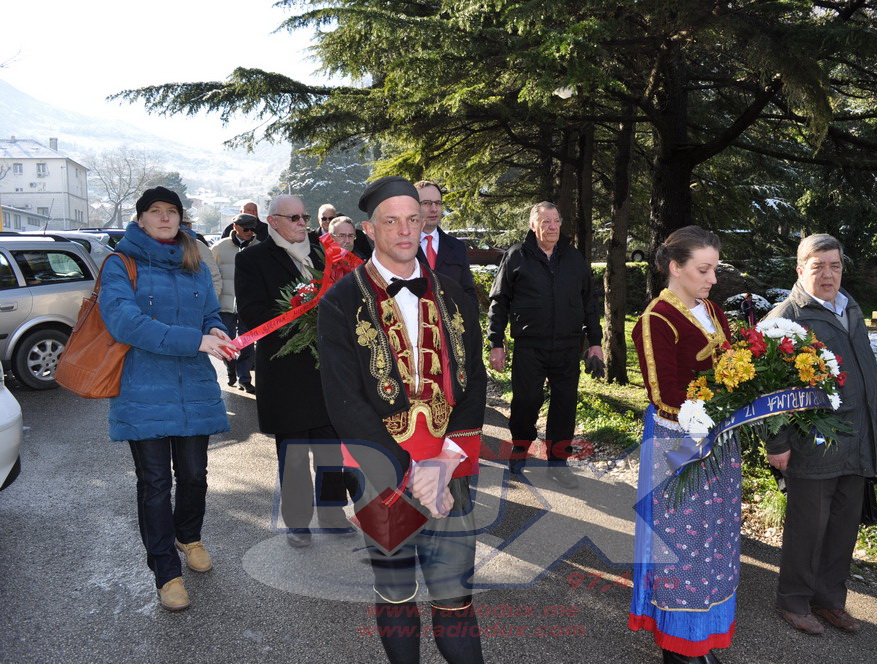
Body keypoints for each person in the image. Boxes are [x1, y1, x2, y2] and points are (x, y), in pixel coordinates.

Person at [318, 176, 486, 664]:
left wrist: (444, 463)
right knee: (395, 595)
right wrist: (411, 471)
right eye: (392, 221)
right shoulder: (340, 301)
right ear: (370, 230)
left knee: (455, 595)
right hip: (379, 472)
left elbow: (474, 382)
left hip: (449, 467)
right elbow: (344, 401)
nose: (406, 230)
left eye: (413, 219)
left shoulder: (454, 294)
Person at [99, 186, 237, 611]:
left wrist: (214, 330)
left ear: (180, 217)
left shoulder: (194, 260)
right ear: (140, 218)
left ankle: (188, 536)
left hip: (194, 386)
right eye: (155, 211)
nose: (164, 218)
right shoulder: (120, 263)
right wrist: (194, 341)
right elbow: (125, 323)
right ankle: (166, 572)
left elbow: (209, 312)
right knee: (156, 483)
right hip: (143, 388)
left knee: (194, 474)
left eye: (171, 211)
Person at [629, 226, 737, 664]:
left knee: (716, 540)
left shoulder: (711, 309)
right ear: (675, 267)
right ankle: (677, 647)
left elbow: (733, 366)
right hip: (679, 442)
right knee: (681, 545)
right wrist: (715, 411)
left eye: (715, 269)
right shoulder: (656, 320)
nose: (712, 278)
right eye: (703, 269)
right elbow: (664, 395)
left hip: (720, 439)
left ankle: (702, 635)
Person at [764, 234, 877, 636]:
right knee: (808, 527)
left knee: (843, 527)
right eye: (818, 266)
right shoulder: (786, 318)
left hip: (858, 437)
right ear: (800, 270)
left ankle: (829, 600)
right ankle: (793, 601)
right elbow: (766, 390)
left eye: (835, 265)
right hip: (813, 442)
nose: (828, 274)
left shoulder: (851, 308)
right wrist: (777, 443)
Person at [235, 194, 355, 548]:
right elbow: (252, 314)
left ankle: (332, 514)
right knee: (294, 454)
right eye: (294, 218)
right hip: (285, 372)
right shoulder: (253, 258)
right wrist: (302, 316)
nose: (303, 223)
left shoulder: (323, 251)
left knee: (331, 449)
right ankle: (298, 523)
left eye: (304, 217)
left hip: (328, 370)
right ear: (273, 221)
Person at [486, 201, 603, 490]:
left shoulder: (574, 258)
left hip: (567, 345)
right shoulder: (516, 256)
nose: (552, 227)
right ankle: (521, 447)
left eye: (556, 221)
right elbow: (499, 302)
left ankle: (558, 463)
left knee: (564, 405)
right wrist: (496, 342)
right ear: (533, 225)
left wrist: (595, 342)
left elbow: (589, 302)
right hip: (530, 346)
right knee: (526, 401)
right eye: (545, 222)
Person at [211, 213, 259, 392]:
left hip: (248, 305)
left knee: (247, 343)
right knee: (227, 341)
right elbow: (211, 275)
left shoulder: (259, 247)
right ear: (235, 228)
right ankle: (231, 369)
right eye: (246, 229)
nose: (250, 232)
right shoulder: (219, 248)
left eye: (252, 229)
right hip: (224, 305)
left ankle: (244, 378)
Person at [414, 180, 477, 306]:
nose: (434, 209)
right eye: (426, 203)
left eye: (437, 203)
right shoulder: (402, 247)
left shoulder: (457, 247)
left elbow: (468, 292)